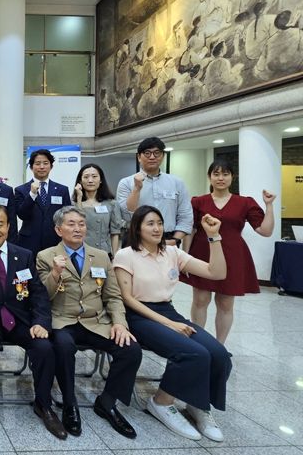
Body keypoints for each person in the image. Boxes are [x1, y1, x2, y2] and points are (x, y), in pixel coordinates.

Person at [113, 206, 231, 442]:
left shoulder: (172, 252)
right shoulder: (126, 255)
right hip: (138, 316)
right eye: (150, 224)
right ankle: (161, 402)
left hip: (168, 311)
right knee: (193, 353)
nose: (157, 228)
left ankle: (198, 403)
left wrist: (214, 237)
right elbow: (127, 298)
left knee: (219, 354)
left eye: (159, 223)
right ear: (137, 228)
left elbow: (216, 273)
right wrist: (169, 324)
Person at [0, 204, 64, 439]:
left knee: (44, 347)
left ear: (8, 226)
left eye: (0, 225)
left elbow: (37, 293)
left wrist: (41, 322)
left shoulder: (24, 255)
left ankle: (44, 404)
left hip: (18, 318)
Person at [36, 207, 141, 439]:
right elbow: (43, 297)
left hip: (96, 321)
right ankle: (69, 403)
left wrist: (119, 323)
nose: (77, 229)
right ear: (58, 230)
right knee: (62, 347)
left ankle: (107, 402)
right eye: (71, 224)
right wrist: (55, 273)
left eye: (81, 224)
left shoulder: (101, 256)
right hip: (63, 321)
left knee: (131, 350)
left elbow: (113, 296)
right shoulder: (45, 256)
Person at [185, 159, 276, 344]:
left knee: (225, 303)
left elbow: (265, 231)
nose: (221, 178)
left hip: (233, 256)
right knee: (200, 300)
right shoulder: (198, 201)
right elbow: (190, 230)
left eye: (225, 174)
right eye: (216, 174)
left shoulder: (245, 202)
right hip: (202, 253)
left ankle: (220, 346)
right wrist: (185, 258)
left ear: (232, 177)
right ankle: (198, 343)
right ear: (209, 177)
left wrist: (269, 205)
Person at [116, 137, 193, 247]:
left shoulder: (177, 183)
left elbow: (186, 216)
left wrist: (175, 240)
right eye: (147, 153)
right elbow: (126, 215)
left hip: (169, 239)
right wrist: (136, 189)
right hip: (136, 239)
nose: (152, 157)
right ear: (139, 157)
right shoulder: (126, 182)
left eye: (157, 153)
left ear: (163, 156)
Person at [15, 149, 71, 255]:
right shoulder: (21, 190)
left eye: (45, 163)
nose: (42, 167)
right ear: (31, 167)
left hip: (55, 241)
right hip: (29, 243)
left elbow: (67, 216)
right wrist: (32, 194)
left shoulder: (62, 190)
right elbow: (22, 215)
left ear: (51, 166)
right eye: (37, 163)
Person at [72, 163, 124, 255]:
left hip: (103, 253)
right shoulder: (73, 204)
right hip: (79, 253)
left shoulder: (111, 204)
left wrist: (115, 255)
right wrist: (79, 198)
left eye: (94, 176)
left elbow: (115, 232)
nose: (90, 180)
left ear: (100, 180)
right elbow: (77, 222)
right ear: (80, 181)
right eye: (86, 177)